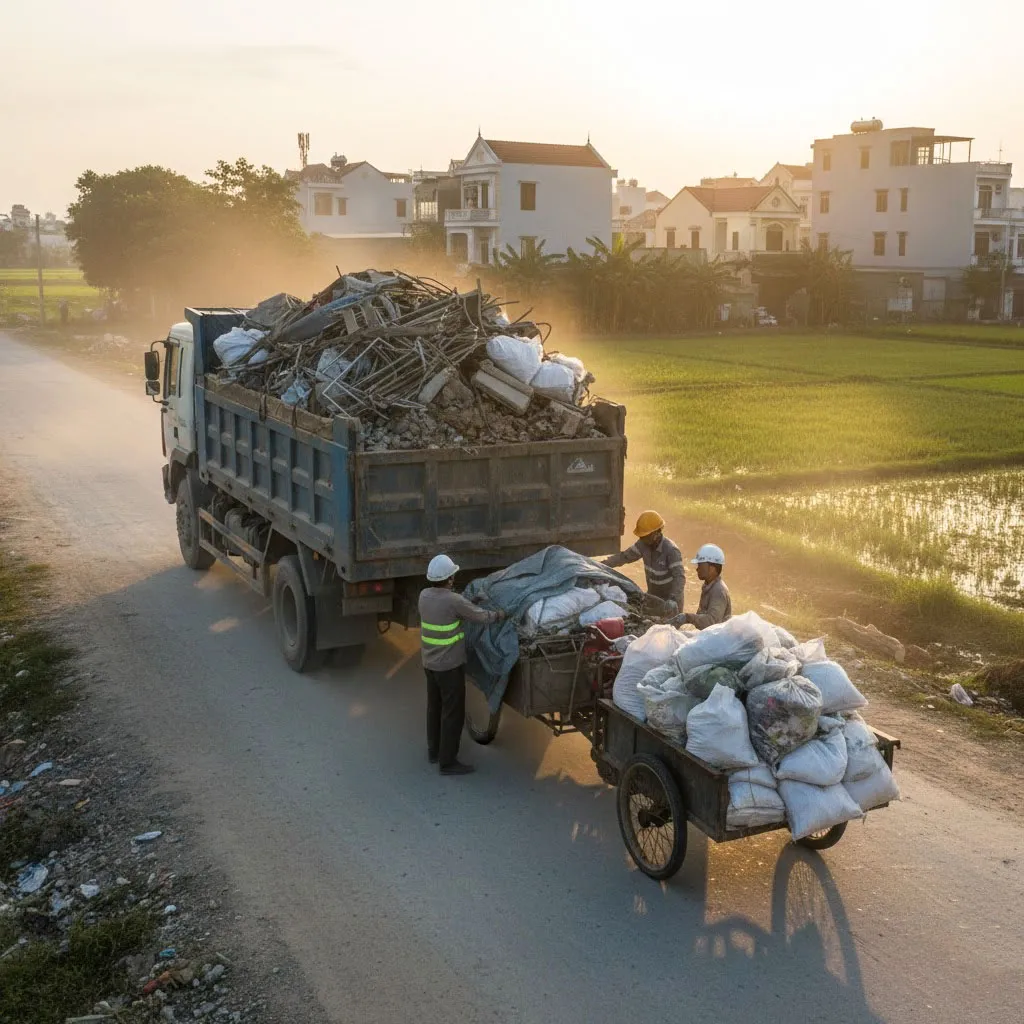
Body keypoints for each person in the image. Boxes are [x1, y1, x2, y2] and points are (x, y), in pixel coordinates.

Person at [419, 553, 505, 776]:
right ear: (449, 579)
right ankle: (448, 763)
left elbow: (452, 610)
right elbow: (481, 617)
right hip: (449, 668)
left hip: (430, 665)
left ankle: (434, 752)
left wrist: (470, 603)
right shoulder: (453, 600)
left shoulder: (424, 596)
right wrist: (500, 614)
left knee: (434, 708)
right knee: (453, 714)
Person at [603, 511, 684, 615]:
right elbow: (624, 557)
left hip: (671, 603)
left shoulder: (671, 551)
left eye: (644, 536)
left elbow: (679, 577)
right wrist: (602, 564)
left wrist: (673, 599)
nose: (641, 539)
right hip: (653, 597)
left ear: (656, 534)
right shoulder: (643, 544)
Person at [673, 544, 731, 629]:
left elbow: (712, 622)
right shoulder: (709, 585)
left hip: (716, 639)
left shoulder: (718, 591)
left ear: (712, 568)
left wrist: (688, 617)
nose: (697, 569)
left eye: (700, 565)